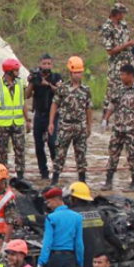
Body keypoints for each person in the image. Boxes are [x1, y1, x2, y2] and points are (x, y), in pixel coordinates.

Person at [103, 64, 134, 192]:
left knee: (132, 156)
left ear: (130, 75)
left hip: (132, 130)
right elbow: (112, 105)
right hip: (118, 128)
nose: (121, 77)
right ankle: (108, 181)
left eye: (123, 74)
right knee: (113, 154)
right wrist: (105, 119)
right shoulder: (118, 89)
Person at [50, 56, 93, 185]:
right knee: (60, 154)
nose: (78, 75)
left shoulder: (86, 90)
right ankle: (55, 179)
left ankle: (82, 180)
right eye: (75, 72)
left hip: (80, 126)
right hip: (65, 126)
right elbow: (54, 104)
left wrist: (89, 126)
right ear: (70, 72)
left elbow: (89, 108)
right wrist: (51, 122)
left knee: (81, 154)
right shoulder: (63, 89)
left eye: (80, 72)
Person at [0, 58, 29, 179]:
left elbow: (23, 103)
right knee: (3, 151)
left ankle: (20, 176)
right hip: (2, 124)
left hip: (17, 123)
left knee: (20, 150)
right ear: (8, 71)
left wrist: (28, 120)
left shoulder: (20, 84)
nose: (18, 72)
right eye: (16, 70)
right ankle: (2, 175)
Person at [26, 54, 61, 181]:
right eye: (44, 63)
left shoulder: (56, 77)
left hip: (53, 116)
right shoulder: (36, 77)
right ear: (40, 64)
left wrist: (47, 84)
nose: (46, 66)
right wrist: (32, 82)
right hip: (39, 115)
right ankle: (43, 172)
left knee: (52, 143)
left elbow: (61, 92)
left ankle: (56, 169)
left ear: (52, 64)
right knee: (39, 145)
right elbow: (27, 95)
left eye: (48, 63)